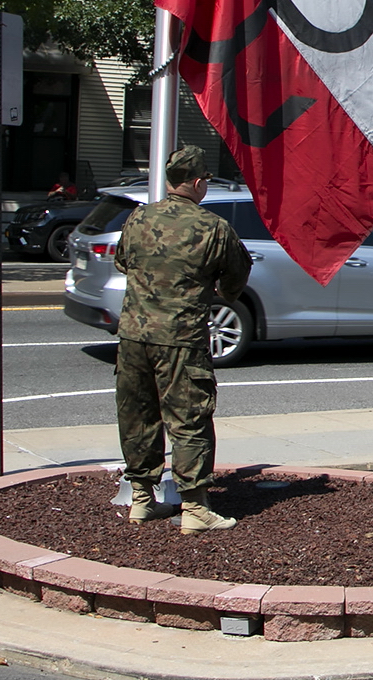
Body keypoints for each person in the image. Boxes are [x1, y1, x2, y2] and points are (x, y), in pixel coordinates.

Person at [113, 145, 251, 533]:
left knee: (138, 416)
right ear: (197, 182)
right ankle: (194, 509)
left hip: (134, 335)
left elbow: (123, 262)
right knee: (189, 419)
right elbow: (234, 284)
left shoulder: (138, 217)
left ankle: (142, 499)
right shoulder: (213, 228)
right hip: (181, 338)